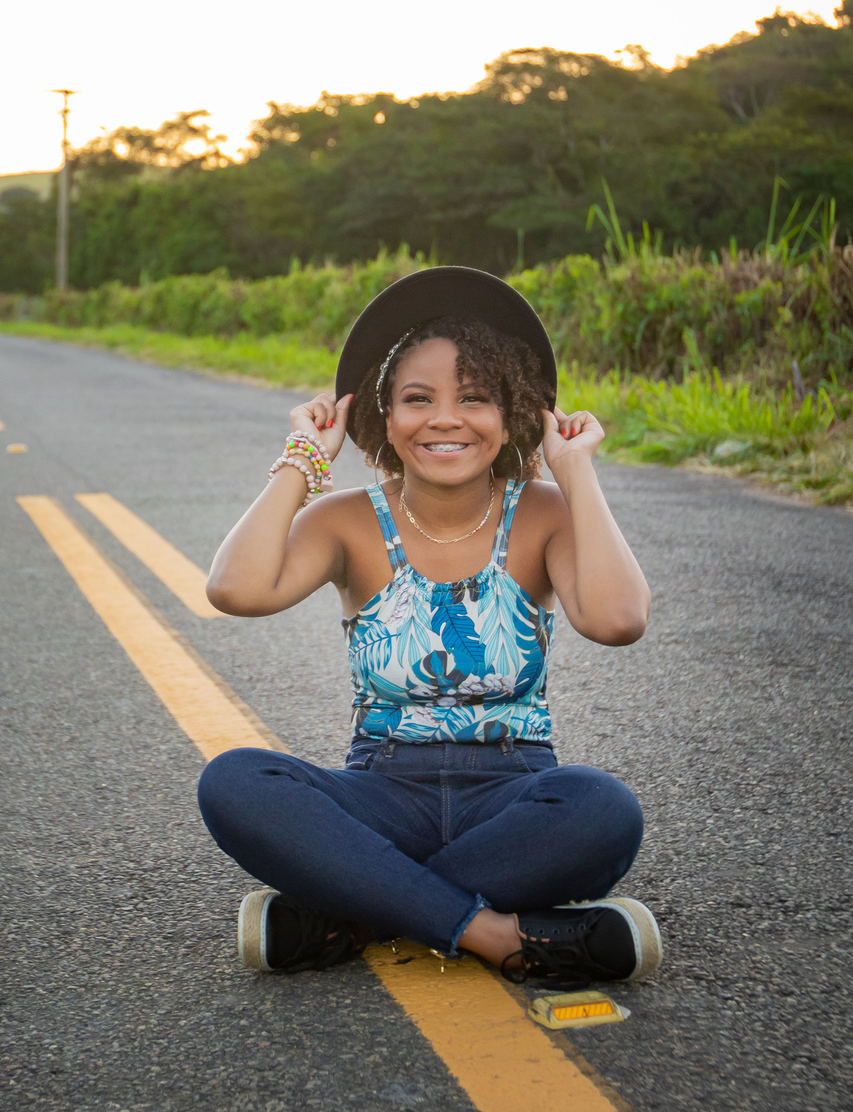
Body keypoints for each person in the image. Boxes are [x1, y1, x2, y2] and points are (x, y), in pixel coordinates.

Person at [198, 267, 660, 987]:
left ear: (511, 414)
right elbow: (235, 589)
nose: (446, 419)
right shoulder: (347, 520)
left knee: (603, 809)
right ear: (385, 418)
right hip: (381, 789)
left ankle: (355, 912)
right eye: (419, 399)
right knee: (235, 782)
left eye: (474, 398)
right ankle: (496, 933)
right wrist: (302, 460)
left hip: (514, 791)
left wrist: (575, 472)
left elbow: (618, 619)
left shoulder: (544, 513)